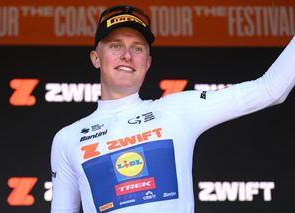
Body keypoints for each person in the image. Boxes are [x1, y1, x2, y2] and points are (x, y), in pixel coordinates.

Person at [50, 5, 295, 213]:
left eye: (137, 48)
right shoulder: (68, 138)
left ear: (147, 62)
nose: (126, 55)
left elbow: (269, 89)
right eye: (115, 46)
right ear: (96, 58)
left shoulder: (177, 110)